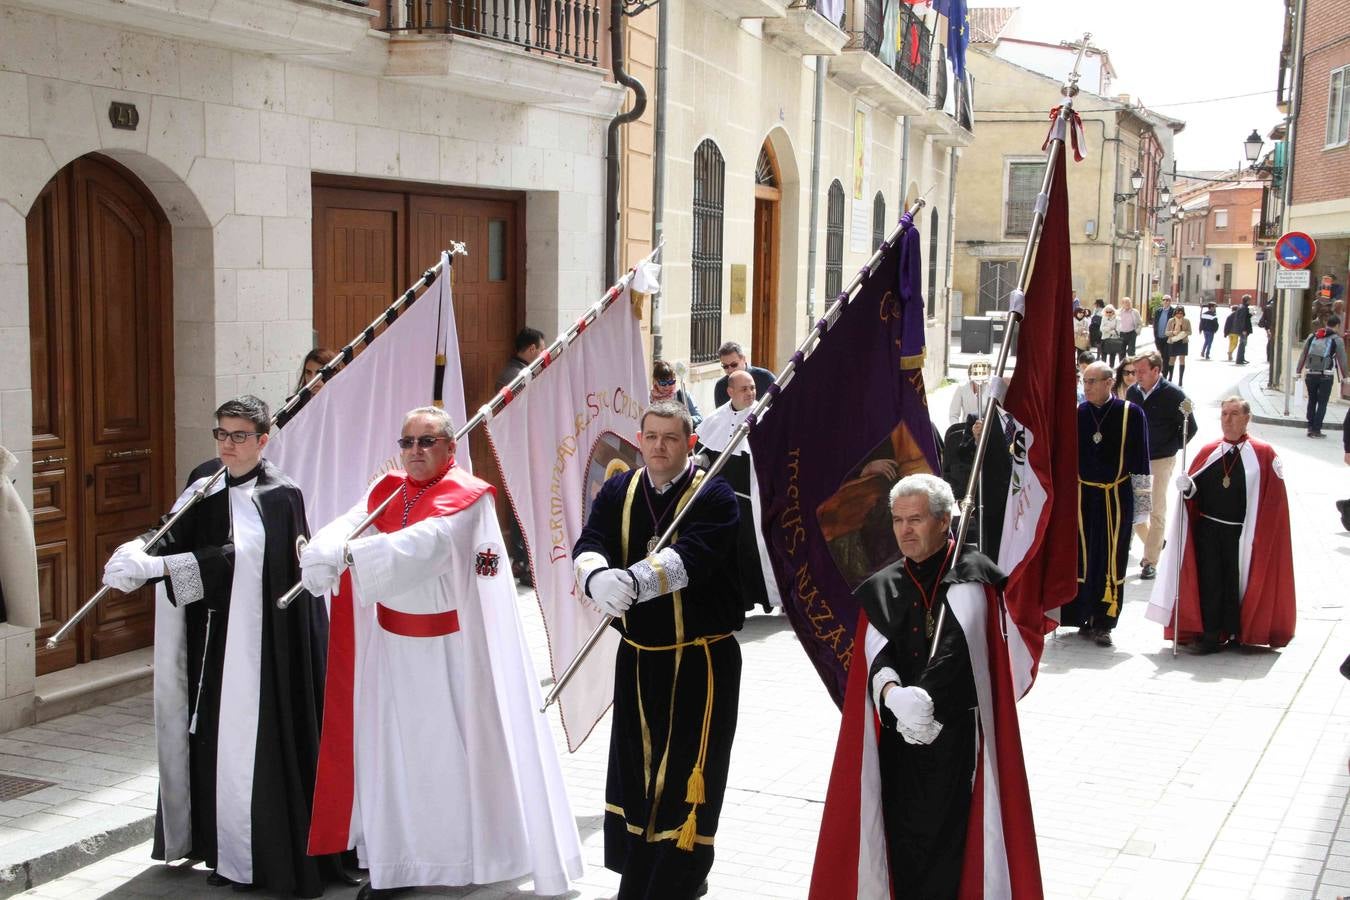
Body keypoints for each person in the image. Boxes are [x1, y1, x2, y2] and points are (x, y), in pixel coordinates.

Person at [300, 407, 582, 899]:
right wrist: (321, 549)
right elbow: (348, 521)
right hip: (389, 653)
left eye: (426, 442)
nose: (414, 451)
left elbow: (424, 547)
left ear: (451, 448)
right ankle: (397, 862)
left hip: (445, 656)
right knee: (391, 759)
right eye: (406, 441)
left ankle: (453, 859)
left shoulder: (467, 498)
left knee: (443, 760)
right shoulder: (386, 488)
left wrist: (347, 556)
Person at [100, 396, 337, 897]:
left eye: (240, 436)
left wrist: (161, 569)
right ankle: (214, 844)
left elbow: (240, 560)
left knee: (248, 747)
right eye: (221, 434)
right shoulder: (205, 479)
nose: (228, 445)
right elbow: (172, 529)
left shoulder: (280, 495)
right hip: (209, 637)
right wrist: (138, 551)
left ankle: (254, 857)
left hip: (261, 649)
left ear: (264, 439)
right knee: (206, 740)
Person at [810, 474, 1039, 897]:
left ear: (943, 522)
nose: (904, 531)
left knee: (952, 844)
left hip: (955, 740)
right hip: (896, 741)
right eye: (897, 521)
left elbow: (963, 648)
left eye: (915, 520)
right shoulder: (886, 584)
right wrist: (890, 691)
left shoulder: (974, 577)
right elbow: (874, 651)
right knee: (898, 840)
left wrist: (926, 697)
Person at [572, 400, 742, 898]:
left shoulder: (714, 495)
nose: (659, 446)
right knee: (636, 767)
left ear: (689, 441)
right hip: (640, 655)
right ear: (640, 438)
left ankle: (677, 875)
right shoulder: (618, 489)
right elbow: (591, 539)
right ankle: (641, 867)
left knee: (689, 769)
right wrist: (594, 575)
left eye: (671, 437)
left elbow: (691, 558)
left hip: (699, 659)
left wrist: (633, 579)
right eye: (651, 436)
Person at [1147, 398, 1296, 653]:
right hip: (1209, 530)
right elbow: (1196, 493)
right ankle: (1211, 634)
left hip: (1242, 533)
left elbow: (1274, 503)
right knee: (1211, 582)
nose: (1228, 420)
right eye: (1224, 414)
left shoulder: (1263, 453)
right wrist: (1189, 488)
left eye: (1234, 414)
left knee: (1237, 582)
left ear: (1247, 418)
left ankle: (1240, 631)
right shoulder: (1209, 451)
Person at [1066, 363, 1151, 647]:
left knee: (1111, 557)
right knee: (1082, 555)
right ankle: (1082, 614)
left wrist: (1142, 509)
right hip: (1082, 496)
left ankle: (1105, 621)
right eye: (1084, 381)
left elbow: (1141, 462)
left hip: (1115, 496)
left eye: (1092, 381)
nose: (1086, 387)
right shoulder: (1077, 414)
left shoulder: (1131, 414)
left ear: (1108, 382)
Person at [694, 370, 778, 614]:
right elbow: (704, 455)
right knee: (730, 554)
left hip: (756, 499)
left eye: (752, 388)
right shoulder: (714, 420)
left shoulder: (766, 418)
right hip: (725, 502)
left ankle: (766, 598)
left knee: (757, 551)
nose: (751, 393)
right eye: (745, 389)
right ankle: (739, 601)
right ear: (730, 392)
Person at [1126, 352, 1197, 580]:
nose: (1137, 376)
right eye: (1135, 372)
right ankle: (1155, 543)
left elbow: (1190, 427)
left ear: (1156, 371)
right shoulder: (1132, 393)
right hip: (1136, 459)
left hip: (1160, 460)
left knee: (1156, 509)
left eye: (1142, 372)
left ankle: (1150, 561)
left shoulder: (1175, 395)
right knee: (1136, 509)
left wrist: (1171, 446)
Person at [1294, 314, 1348, 438]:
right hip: (1326, 376)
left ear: (1326, 323)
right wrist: (1345, 376)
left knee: (1312, 400)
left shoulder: (1313, 336)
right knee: (1322, 403)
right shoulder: (1336, 339)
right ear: (1337, 325)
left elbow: (1304, 354)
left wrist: (1298, 371)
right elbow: (1342, 359)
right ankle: (1316, 430)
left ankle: (1310, 427)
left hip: (1311, 374)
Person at [711, 341, 774, 408]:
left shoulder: (765, 377)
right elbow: (721, 415)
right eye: (725, 366)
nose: (730, 370)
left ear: (743, 359)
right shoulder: (721, 386)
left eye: (734, 365)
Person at [652, 359, 702, 429]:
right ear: (655, 381)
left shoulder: (682, 396)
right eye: (663, 383)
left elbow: (699, 417)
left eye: (671, 382)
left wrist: (683, 419)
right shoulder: (649, 398)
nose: (667, 386)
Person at [947, 356, 991, 424]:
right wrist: (958, 428)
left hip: (985, 429)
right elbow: (953, 415)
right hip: (966, 429)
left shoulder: (992, 390)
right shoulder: (962, 388)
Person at [1164, 306, 1192, 385]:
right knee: (1172, 360)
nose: (1179, 315)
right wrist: (1173, 332)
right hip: (1173, 341)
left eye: (1181, 313)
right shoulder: (1171, 321)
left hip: (1183, 342)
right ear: (1175, 313)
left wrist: (1184, 333)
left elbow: (1190, 331)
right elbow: (1166, 332)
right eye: (1177, 313)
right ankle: (1170, 377)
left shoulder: (1186, 321)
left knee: (1182, 360)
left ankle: (1180, 379)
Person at [1153, 295, 1175, 373]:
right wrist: (1155, 336)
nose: (1166, 301)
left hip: (1168, 338)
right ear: (1162, 301)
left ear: (1170, 302)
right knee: (1160, 356)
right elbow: (1155, 324)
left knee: (1166, 357)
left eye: (1168, 300)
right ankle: (1162, 372)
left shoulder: (1173, 311)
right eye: (1164, 300)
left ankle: (1165, 374)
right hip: (1159, 338)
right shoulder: (1158, 311)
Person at [1232, 294, 1255, 365]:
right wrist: (1244, 330)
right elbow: (1242, 320)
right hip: (1243, 330)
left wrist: (1250, 315)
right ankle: (1239, 359)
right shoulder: (1243, 308)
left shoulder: (1242, 307)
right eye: (1249, 300)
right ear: (1247, 301)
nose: (1250, 302)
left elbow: (1245, 317)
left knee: (1243, 344)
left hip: (1242, 329)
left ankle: (1242, 358)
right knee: (1242, 343)